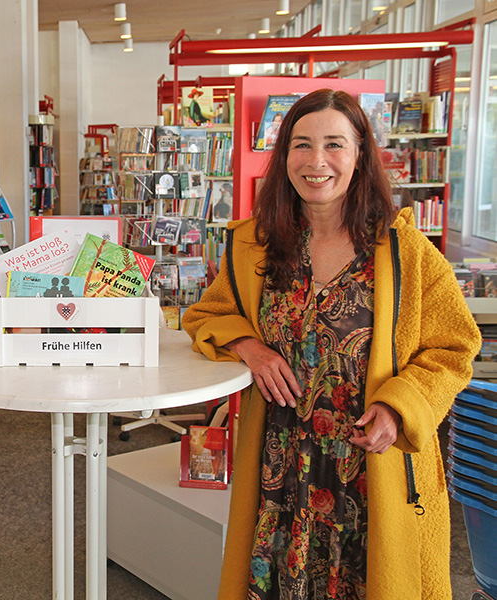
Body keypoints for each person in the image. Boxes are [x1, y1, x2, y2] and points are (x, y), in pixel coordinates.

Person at [181, 88, 479, 600]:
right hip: (279, 476)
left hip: (370, 471)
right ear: (284, 156)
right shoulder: (253, 245)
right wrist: (250, 346)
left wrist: (399, 405)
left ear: (361, 154)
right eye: (301, 144)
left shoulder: (406, 252)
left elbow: (454, 348)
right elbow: (208, 314)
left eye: (334, 145)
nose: (316, 161)